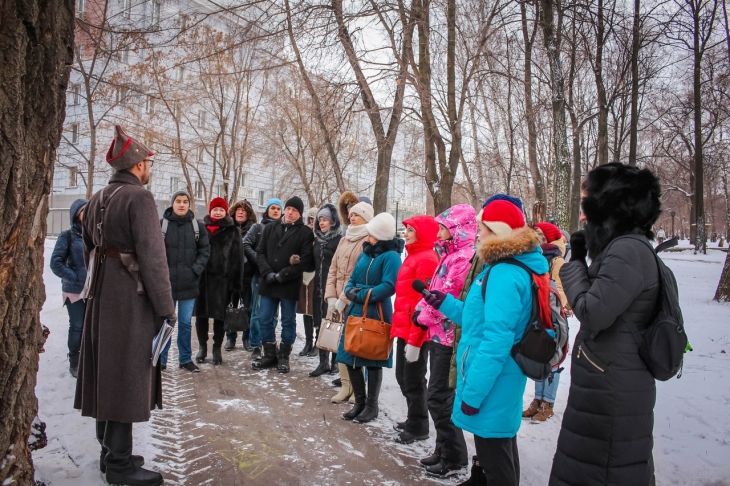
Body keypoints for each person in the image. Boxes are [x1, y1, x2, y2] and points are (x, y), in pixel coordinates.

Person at [549, 163, 662, 486]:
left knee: (603, 471)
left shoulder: (627, 250)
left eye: (588, 205)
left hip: (612, 390)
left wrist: (574, 264)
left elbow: (593, 312)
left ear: (609, 207)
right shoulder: (626, 248)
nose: (583, 216)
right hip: (608, 384)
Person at [74, 125, 175, 485]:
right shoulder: (140, 199)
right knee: (123, 378)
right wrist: (165, 307)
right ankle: (118, 465)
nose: (150, 167)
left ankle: (110, 453)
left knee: (108, 374)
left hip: (103, 297)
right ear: (136, 165)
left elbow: (88, 247)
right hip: (130, 301)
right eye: (148, 162)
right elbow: (153, 257)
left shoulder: (98, 197)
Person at [425, 196, 547, 486]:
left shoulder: (504, 273)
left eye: (484, 228)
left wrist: (473, 394)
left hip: (494, 379)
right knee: (499, 446)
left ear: (498, 231)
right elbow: (479, 321)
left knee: (497, 455)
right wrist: (446, 303)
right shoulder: (502, 267)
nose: (478, 233)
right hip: (500, 376)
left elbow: (496, 341)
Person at [414, 204, 477, 477]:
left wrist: (423, 316)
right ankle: (443, 450)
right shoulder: (449, 254)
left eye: (444, 227)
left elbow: (448, 295)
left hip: (448, 335)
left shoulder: (462, 257)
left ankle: (454, 456)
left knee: (439, 397)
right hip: (438, 333)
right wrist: (420, 308)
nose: (439, 232)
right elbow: (434, 290)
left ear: (457, 229)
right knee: (438, 394)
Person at [338, 212, 403, 423]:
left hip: (377, 312)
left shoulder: (391, 256)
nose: (367, 238)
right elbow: (352, 280)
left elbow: (389, 286)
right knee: (351, 356)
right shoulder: (365, 254)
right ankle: (359, 402)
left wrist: (363, 293)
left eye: (371, 234)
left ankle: (371, 406)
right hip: (356, 311)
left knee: (373, 359)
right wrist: (350, 291)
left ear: (380, 235)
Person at [390, 215, 439, 443]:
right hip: (405, 328)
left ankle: (419, 425)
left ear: (423, 233)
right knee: (404, 376)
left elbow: (426, 303)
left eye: (410, 229)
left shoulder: (427, 258)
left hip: (417, 331)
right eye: (406, 229)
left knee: (413, 378)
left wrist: (416, 340)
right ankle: (413, 419)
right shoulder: (413, 256)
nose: (406, 233)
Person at [253, 196, 314, 373]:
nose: (290, 212)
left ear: (299, 214)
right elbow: (260, 252)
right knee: (265, 318)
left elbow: (304, 261)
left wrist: (282, 275)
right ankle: (269, 354)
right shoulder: (271, 227)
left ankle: (284, 356)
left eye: (294, 210)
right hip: (269, 282)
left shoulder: (304, 233)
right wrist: (267, 273)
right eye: (288, 209)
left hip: (288, 284)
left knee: (288, 321)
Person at [318, 200, 373, 396]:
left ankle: (358, 389)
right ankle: (345, 385)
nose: (352, 217)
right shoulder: (344, 239)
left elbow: (358, 274)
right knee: (340, 344)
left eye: (357, 214)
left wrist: (343, 298)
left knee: (354, 343)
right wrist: (331, 297)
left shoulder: (367, 240)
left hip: (353, 299)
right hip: (336, 301)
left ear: (366, 217)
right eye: (351, 214)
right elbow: (332, 269)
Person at [159, 190, 210, 372]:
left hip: (189, 283)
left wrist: (194, 270)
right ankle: (161, 359)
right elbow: (154, 253)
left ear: (189, 204)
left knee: (186, 323)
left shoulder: (198, 227)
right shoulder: (161, 225)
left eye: (185, 201)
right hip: (167, 285)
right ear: (172, 204)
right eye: (178, 201)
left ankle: (185, 359)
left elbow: (205, 251)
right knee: (166, 322)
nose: (181, 204)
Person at [522, 221, 568, 422]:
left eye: (540, 234)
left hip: (553, 314)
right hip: (538, 313)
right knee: (540, 353)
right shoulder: (535, 256)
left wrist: (554, 307)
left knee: (553, 357)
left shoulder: (556, 260)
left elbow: (561, 287)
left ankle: (548, 402)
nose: (537, 237)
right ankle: (538, 399)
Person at [194, 197, 243, 366]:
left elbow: (237, 258)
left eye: (221, 210)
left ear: (225, 212)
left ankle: (216, 348)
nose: (218, 212)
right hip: (202, 280)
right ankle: (202, 347)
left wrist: (236, 285)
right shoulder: (200, 227)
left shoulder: (233, 230)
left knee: (220, 317)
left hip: (223, 282)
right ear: (210, 210)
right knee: (201, 316)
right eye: (215, 209)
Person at [51, 198, 88, 378]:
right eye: (84, 211)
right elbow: (55, 263)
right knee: (77, 326)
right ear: (76, 215)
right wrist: (74, 276)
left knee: (91, 327)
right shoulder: (67, 236)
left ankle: (88, 359)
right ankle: (74, 361)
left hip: (93, 291)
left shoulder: (96, 236)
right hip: (74, 291)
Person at [242, 198, 283, 359]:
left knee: (273, 315)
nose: (275, 211)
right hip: (260, 276)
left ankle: (270, 345)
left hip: (278, 278)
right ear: (266, 210)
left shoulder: (285, 229)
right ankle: (256, 345)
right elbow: (245, 244)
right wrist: (260, 262)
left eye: (278, 209)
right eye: (272, 208)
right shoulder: (258, 227)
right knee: (258, 313)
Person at [309, 203, 343, 363]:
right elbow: (311, 263)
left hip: (334, 288)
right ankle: (323, 362)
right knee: (321, 322)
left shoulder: (339, 240)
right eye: (320, 219)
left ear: (333, 221)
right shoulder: (316, 240)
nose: (321, 222)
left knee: (335, 323)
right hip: (319, 287)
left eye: (325, 219)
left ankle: (335, 362)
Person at [224, 199, 257, 351]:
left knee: (248, 308)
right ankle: (230, 338)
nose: (241, 212)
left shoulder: (254, 229)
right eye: (238, 210)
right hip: (230, 275)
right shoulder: (227, 228)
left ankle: (247, 338)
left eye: (244, 210)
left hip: (248, 275)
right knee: (230, 306)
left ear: (249, 214)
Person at [297, 208, 319, 357]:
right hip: (304, 274)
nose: (312, 222)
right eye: (310, 219)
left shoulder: (322, 237)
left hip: (316, 275)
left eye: (314, 219)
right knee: (305, 310)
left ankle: (318, 343)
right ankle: (308, 342)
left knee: (315, 310)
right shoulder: (303, 235)